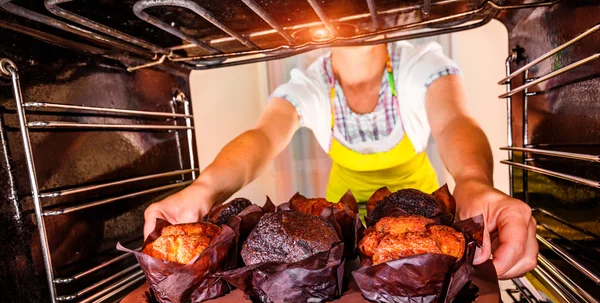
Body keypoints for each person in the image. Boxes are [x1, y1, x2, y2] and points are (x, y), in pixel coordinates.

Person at [144, 41, 537, 279]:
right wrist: (205, 187)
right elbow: (263, 138)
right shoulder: (311, 85)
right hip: (343, 217)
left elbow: (454, 121)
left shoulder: (419, 66)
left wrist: (473, 182)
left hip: (417, 214)